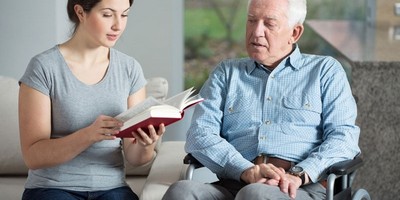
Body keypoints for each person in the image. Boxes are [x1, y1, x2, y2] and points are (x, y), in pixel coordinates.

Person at [162, 0, 360, 199]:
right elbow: (199, 134)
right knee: (181, 191)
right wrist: (246, 170)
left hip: (298, 188)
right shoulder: (226, 73)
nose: (256, 32)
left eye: (269, 24)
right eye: (251, 21)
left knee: (254, 194)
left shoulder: (325, 71)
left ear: (294, 33)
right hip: (235, 182)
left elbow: (344, 138)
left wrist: (298, 174)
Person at [18, 0, 165, 199]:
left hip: (112, 189)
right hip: (52, 188)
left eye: (124, 15)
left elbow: (135, 158)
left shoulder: (130, 69)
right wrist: (88, 135)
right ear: (80, 12)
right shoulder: (43, 67)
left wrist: (146, 144)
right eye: (107, 14)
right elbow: (33, 156)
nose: (118, 25)